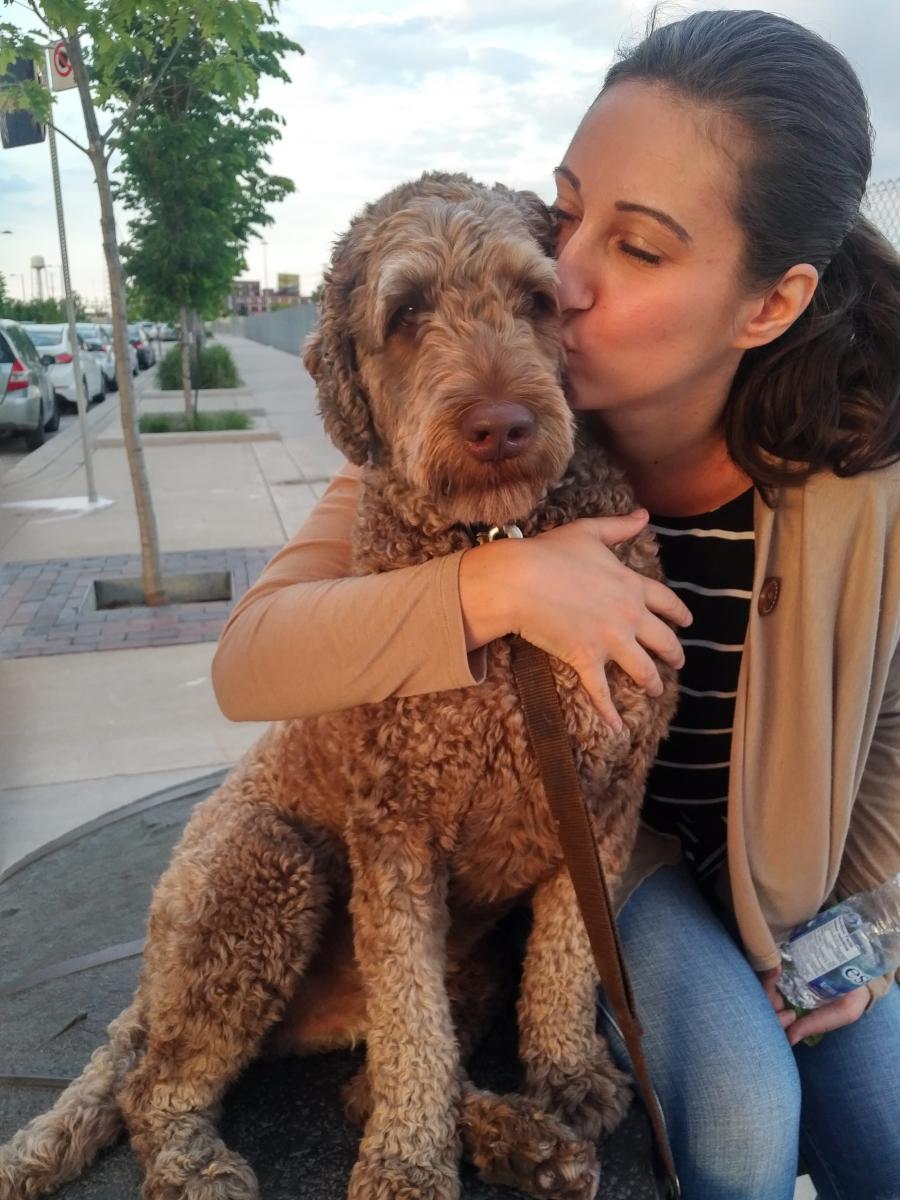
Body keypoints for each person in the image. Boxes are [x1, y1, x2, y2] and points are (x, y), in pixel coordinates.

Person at [212, 10, 900, 1198]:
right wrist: (493, 578)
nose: (563, 278)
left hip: (796, 880)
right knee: (742, 1111)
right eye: (566, 209)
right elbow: (250, 661)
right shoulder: (467, 446)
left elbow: (890, 714)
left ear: (769, 304)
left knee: (882, 1120)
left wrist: (872, 922)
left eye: (638, 248)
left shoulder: (864, 478)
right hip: (617, 866)